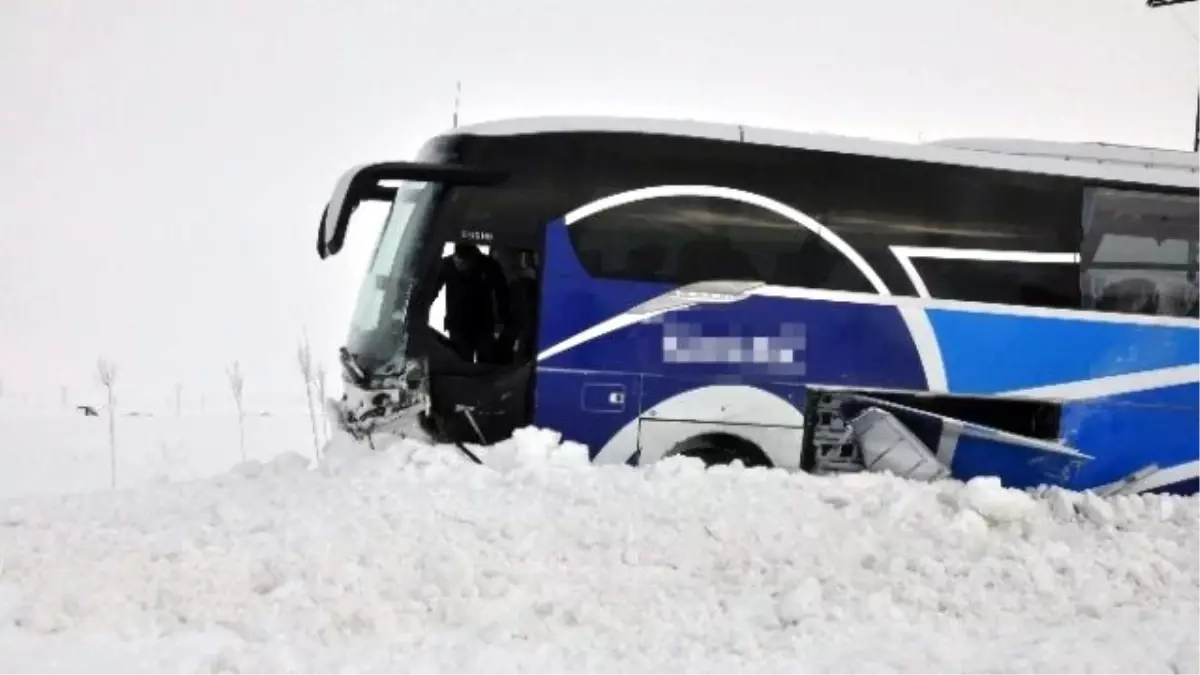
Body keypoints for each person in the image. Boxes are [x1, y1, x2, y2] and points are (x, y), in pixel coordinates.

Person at [433, 242, 510, 363]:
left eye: (465, 262)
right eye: (458, 261)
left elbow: (502, 294)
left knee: (486, 362)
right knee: (461, 362)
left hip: (483, 323)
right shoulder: (446, 265)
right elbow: (432, 290)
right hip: (457, 323)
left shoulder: (489, 265)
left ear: (474, 257)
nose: (462, 266)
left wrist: (502, 321)